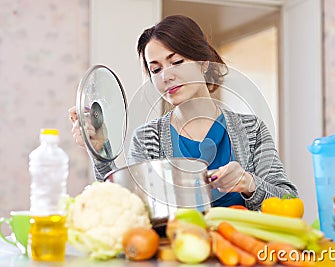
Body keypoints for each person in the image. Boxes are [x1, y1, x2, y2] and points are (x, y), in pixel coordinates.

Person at [69, 15, 297, 210]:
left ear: (204, 63)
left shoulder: (251, 130)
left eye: (176, 61)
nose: (166, 76)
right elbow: (127, 209)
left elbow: (289, 200)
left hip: (243, 257)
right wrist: (99, 152)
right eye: (156, 69)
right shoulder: (148, 138)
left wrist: (248, 183)